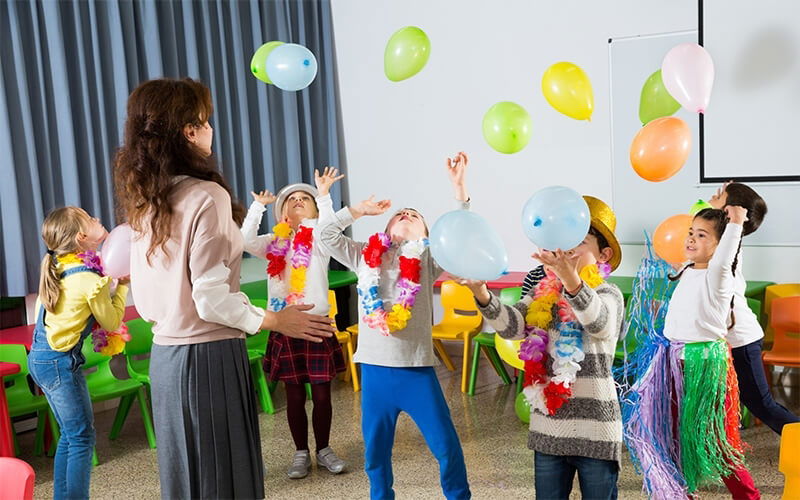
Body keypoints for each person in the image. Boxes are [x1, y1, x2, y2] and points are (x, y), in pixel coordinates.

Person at [113, 77, 334, 499]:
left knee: (187, 480)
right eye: (205, 121)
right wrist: (274, 320)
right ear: (189, 131)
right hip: (208, 357)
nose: (211, 129)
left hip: (166, 360)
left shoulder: (146, 198)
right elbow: (211, 299)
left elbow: (146, 292)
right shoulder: (204, 195)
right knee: (222, 480)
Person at [318, 152, 472, 500]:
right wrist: (356, 210)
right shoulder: (364, 255)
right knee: (375, 455)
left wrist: (459, 188)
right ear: (386, 229)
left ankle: (459, 496)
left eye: (415, 216)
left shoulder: (428, 258)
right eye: (399, 214)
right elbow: (325, 236)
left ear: (425, 235)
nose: (406, 215)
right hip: (374, 372)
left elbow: (460, 237)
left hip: (417, 371)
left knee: (446, 447)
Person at [463, 196, 624, 500]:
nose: (567, 247)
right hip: (549, 426)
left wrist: (572, 281)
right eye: (563, 239)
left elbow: (599, 322)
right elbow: (512, 326)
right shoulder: (543, 293)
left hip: (596, 428)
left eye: (579, 239)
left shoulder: (608, 293)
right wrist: (482, 294)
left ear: (603, 254)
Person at [241, 167, 347, 478]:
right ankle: (301, 452)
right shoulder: (274, 242)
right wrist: (258, 207)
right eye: (292, 199)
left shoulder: (319, 239)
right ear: (283, 210)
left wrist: (324, 195)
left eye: (305, 198)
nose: (298, 201)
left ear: (313, 208)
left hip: (316, 324)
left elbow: (330, 226)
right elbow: (244, 240)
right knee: (294, 395)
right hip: (286, 325)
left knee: (323, 394)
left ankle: (324, 449)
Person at [28, 206, 128, 500]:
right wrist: (121, 287)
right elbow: (111, 322)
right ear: (83, 236)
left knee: (70, 437)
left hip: (42, 358)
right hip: (59, 363)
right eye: (91, 219)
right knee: (82, 436)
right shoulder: (87, 279)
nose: (99, 220)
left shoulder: (58, 266)